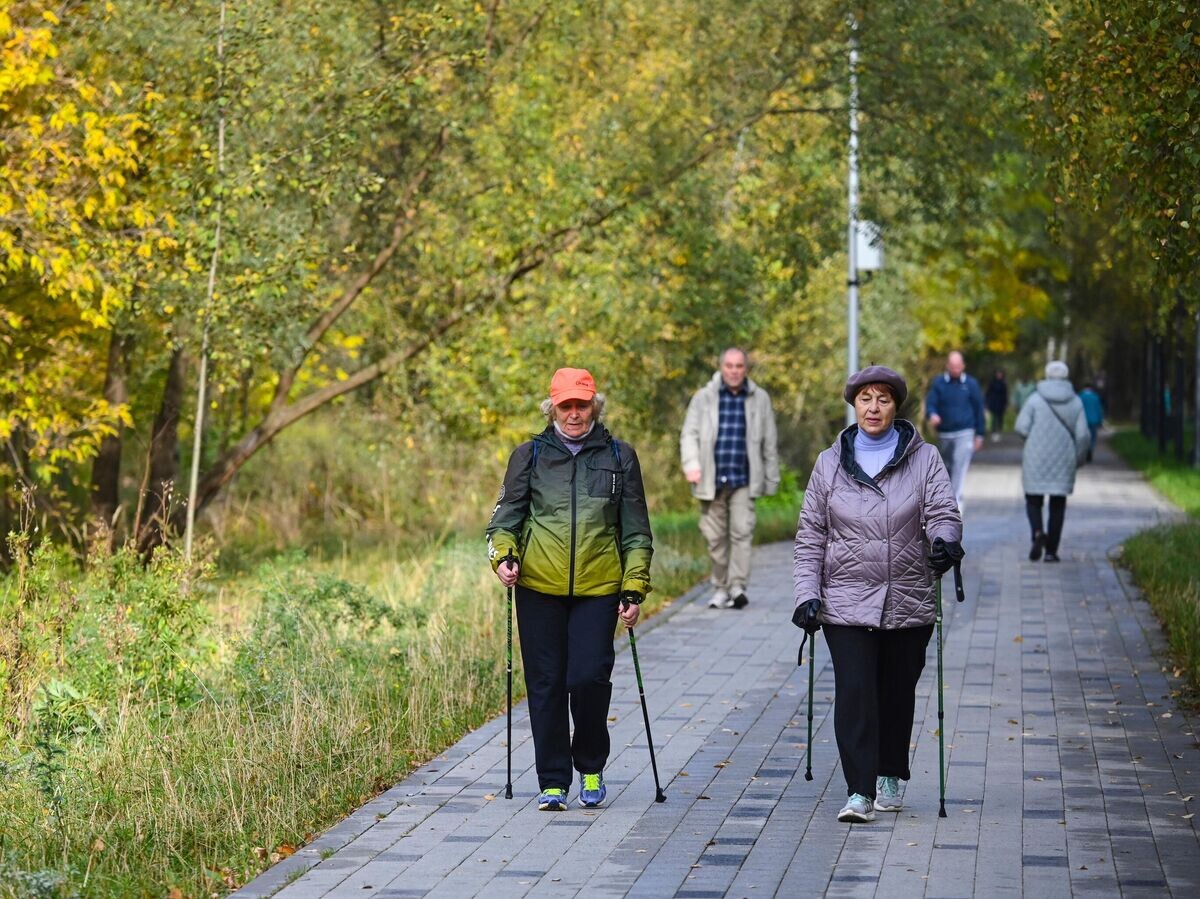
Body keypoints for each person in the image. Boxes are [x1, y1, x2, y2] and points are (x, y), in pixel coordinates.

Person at [793, 365, 962, 823]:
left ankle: (889, 772)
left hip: (908, 597)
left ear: (895, 406)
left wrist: (945, 542)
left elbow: (943, 512)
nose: (873, 407)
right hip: (844, 600)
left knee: (895, 692)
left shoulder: (924, 459)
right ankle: (859, 790)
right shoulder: (829, 463)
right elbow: (810, 534)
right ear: (854, 405)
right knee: (855, 693)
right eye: (865, 399)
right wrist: (806, 594)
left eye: (883, 399)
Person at [486, 368, 653, 811]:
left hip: (599, 587)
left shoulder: (619, 456)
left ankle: (591, 767)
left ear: (594, 406)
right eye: (566, 406)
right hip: (538, 586)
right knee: (545, 684)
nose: (574, 413)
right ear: (553, 408)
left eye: (582, 405)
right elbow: (503, 521)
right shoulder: (529, 456)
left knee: (589, 677)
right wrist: (504, 557)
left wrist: (633, 587)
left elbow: (637, 532)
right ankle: (554, 781)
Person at [680, 347, 780, 609]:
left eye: (739, 366)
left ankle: (737, 587)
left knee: (741, 533)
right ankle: (720, 588)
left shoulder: (760, 398)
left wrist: (771, 479)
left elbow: (769, 441)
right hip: (710, 479)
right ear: (721, 367)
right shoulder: (704, 397)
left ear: (745, 369)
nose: (734, 371)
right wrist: (691, 464)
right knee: (715, 538)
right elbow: (689, 434)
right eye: (729, 366)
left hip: (744, 478)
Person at [1015, 361, 1090, 562]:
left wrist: (1032, 440)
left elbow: (1021, 427)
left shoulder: (1034, 399)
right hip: (1064, 459)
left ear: (1047, 375)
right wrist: (1078, 459)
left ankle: (1038, 532)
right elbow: (1083, 435)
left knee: (1033, 499)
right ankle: (1051, 552)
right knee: (1058, 504)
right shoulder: (1076, 402)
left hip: (1035, 458)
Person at [924, 350, 985, 512]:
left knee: (960, 465)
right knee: (947, 468)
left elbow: (979, 409)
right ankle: (947, 498)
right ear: (947, 366)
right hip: (945, 434)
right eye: (952, 366)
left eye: (958, 366)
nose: (955, 369)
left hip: (965, 432)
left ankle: (956, 503)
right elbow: (931, 403)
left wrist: (979, 434)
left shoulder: (971, 384)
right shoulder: (939, 383)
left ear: (963, 366)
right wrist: (933, 414)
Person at [1078, 382, 1105, 462]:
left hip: (1083, 421)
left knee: (1083, 437)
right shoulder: (1095, 397)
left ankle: (1085, 451)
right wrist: (1100, 420)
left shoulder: (1080, 397)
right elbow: (1099, 409)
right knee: (1093, 437)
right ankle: (1090, 449)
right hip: (1093, 420)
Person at [984, 369, 1009, 441]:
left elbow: (1005, 394)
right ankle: (994, 432)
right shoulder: (992, 383)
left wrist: (1006, 404)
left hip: (1001, 403)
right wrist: (987, 402)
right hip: (994, 403)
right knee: (994, 418)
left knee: (1000, 418)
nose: (999, 375)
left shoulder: (1004, 383)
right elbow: (988, 393)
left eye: (1000, 374)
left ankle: (999, 431)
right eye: (998, 374)